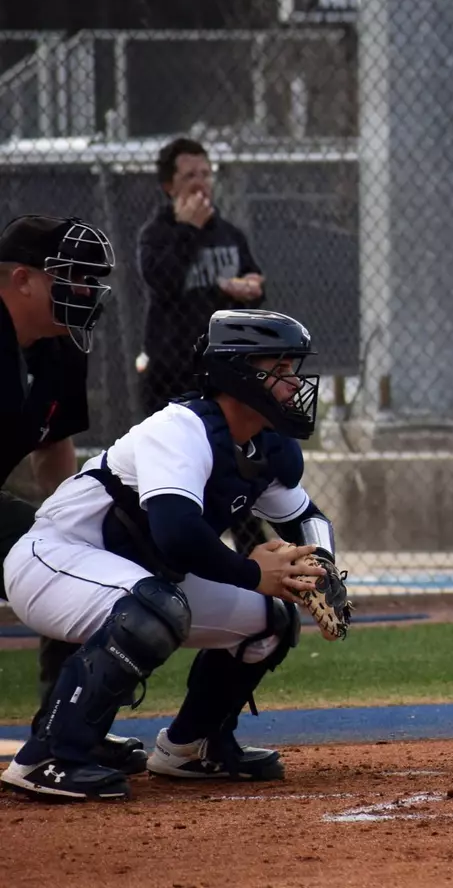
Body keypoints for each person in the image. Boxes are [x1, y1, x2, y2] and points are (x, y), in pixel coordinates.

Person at [1, 309, 339, 801]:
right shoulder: (181, 430)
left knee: (272, 619)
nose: (292, 384)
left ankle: (191, 746)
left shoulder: (263, 445)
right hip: (53, 559)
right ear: (237, 374)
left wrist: (323, 570)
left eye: (293, 370)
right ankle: (49, 756)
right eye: (279, 370)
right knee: (153, 611)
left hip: (138, 576)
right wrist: (251, 571)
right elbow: (178, 532)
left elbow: (305, 517)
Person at [0, 215, 147, 776]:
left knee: (74, 558)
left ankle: (63, 734)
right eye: (70, 278)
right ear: (23, 280)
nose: (85, 294)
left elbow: (54, 446)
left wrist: (67, 537)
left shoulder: (61, 343)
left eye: (90, 281)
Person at [137, 137, 265, 415]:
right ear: (169, 186)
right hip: (173, 371)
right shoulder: (156, 234)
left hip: (225, 367)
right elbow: (164, 281)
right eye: (190, 176)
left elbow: (252, 280)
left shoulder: (230, 234)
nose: (200, 183)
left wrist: (251, 288)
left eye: (206, 174)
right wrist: (189, 230)